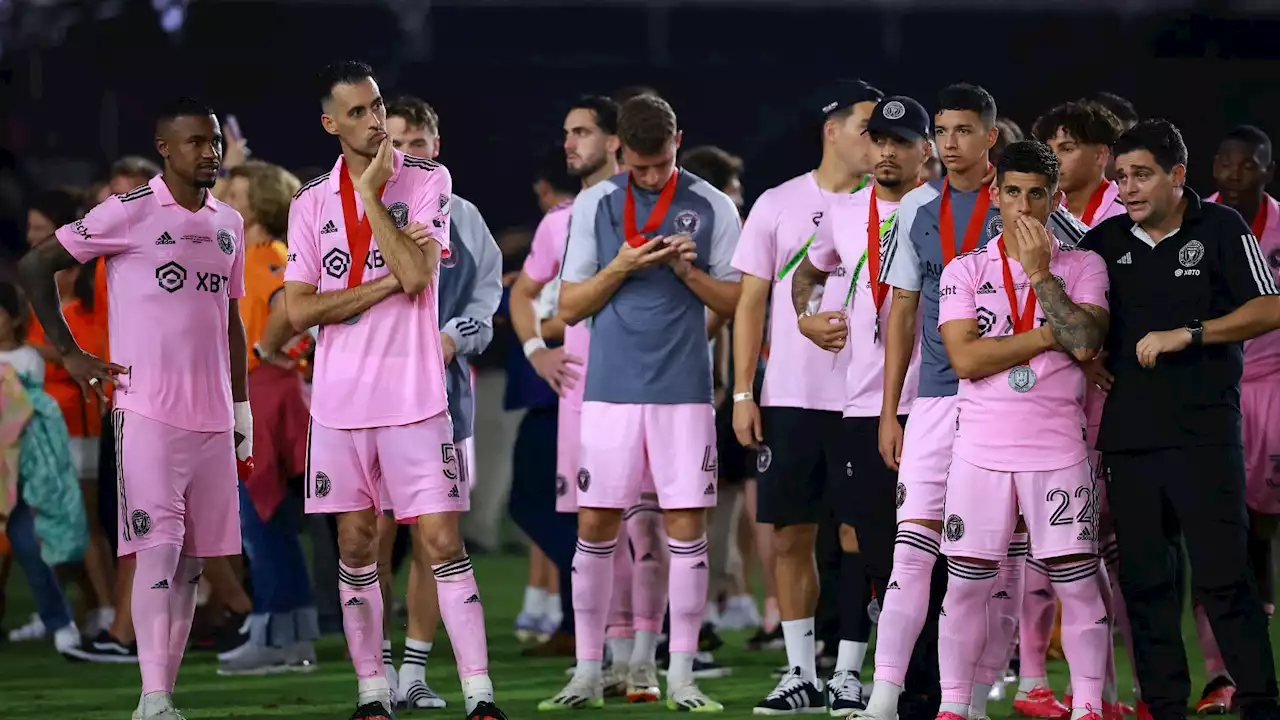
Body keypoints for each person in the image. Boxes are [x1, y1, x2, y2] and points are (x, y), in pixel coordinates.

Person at [283, 61, 503, 720]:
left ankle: (480, 696)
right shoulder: (310, 201)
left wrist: (375, 197)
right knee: (355, 543)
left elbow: (417, 274)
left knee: (441, 541)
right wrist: (383, 282)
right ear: (330, 123)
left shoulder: (428, 179)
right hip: (340, 405)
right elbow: (298, 312)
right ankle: (372, 693)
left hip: (416, 399)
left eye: (376, 106)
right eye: (356, 112)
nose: (374, 121)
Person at [19, 96, 251, 720]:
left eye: (214, 141)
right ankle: (152, 697)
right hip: (147, 413)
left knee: (192, 565)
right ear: (165, 148)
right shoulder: (129, 213)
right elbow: (37, 264)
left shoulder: (228, 222)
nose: (210, 151)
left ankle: (162, 695)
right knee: (157, 551)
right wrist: (68, 354)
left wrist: (242, 407)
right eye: (196, 143)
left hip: (212, 420)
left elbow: (230, 319)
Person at [865, 84, 1088, 720]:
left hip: (1012, 403)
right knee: (912, 548)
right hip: (937, 400)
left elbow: (1084, 286)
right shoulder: (912, 210)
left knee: (998, 561)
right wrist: (891, 411)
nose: (949, 143)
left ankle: (981, 691)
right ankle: (884, 697)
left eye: (964, 130)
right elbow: (903, 310)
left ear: (991, 137)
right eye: (942, 131)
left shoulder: (1028, 199)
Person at [539, 93, 741, 712]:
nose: (653, 177)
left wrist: (688, 275)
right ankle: (587, 670)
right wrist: (622, 266)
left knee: (684, 527)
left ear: (679, 138)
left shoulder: (711, 205)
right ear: (621, 150)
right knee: (596, 525)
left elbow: (735, 304)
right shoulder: (598, 204)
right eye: (642, 166)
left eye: (663, 162)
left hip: (683, 391)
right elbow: (568, 306)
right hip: (610, 393)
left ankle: (678, 673)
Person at [1079, 118, 1280, 720]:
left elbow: (1270, 306)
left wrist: (1191, 335)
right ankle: (1162, 703)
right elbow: (1079, 320)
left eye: (1142, 175)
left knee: (1224, 576)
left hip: (1204, 434)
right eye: (1120, 178)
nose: (1129, 188)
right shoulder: (1105, 242)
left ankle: (1260, 702)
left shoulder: (1221, 228)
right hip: (1130, 438)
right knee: (1145, 582)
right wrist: (1084, 357)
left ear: (1177, 175)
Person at [935, 140, 1111, 720]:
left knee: (1078, 583)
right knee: (965, 586)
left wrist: (1039, 276)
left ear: (1055, 198)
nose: (1025, 207)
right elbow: (965, 360)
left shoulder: (1084, 265)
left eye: (1038, 195)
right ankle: (954, 708)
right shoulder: (965, 268)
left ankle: (1087, 707)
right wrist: (1045, 336)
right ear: (995, 194)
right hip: (980, 451)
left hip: (1058, 449)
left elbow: (1086, 341)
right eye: (1013, 192)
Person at [728, 79, 882, 715]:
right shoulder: (778, 202)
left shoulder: (893, 206)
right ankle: (798, 673)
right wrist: (742, 390)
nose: (880, 142)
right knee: (790, 535)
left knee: (857, 536)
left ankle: (848, 672)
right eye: (869, 127)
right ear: (833, 130)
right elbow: (750, 303)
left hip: (864, 399)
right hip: (789, 396)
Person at [792, 94, 932, 715]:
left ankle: (939, 691)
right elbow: (806, 273)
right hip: (860, 406)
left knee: (940, 552)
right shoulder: (844, 212)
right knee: (875, 551)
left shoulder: (943, 209)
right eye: (878, 140)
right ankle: (899, 687)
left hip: (933, 402)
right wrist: (804, 319)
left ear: (926, 149)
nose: (886, 152)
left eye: (901, 141)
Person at [379, 93, 504, 710]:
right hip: (367, 405)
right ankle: (373, 672)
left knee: (437, 539)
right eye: (395, 143)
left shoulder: (466, 217)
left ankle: (415, 672)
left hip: (441, 401)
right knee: (369, 536)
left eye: (418, 143)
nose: (407, 155)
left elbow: (486, 302)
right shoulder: (351, 209)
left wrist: (454, 338)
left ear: (438, 146)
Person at [1024, 100, 1134, 720]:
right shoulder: (1043, 215)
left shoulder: (1129, 212)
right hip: (1057, 396)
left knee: (1113, 547)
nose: (1058, 160)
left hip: (1120, 392)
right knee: (1051, 543)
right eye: (1052, 149)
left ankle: (1110, 691)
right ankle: (1036, 681)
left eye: (1068, 148)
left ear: (1103, 154)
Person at [1187, 124, 1280, 715]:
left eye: (1246, 165)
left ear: (1265, 169)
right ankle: (1219, 675)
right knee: (1218, 529)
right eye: (1224, 164)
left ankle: (1252, 666)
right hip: (1215, 383)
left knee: (1263, 532)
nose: (1232, 174)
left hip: (1272, 387)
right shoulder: (1198, 223)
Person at [214, 160, 320, 677]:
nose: (224, 198)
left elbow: (291, 307)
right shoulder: (256, 252)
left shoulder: (263, 253)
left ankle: (273, 636)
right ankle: (294, 636)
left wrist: (269, 347)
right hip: (266, 390)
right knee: (272, 524)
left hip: (261, 395)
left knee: (258, 524)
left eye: (235, 192)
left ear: (260, 203)